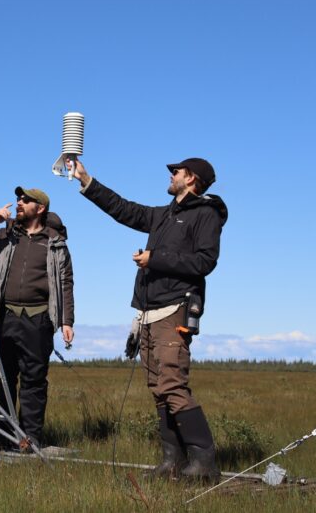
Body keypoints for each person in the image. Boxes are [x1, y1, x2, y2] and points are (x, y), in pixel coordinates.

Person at [67, 157, 227, 480]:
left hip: (175, 310)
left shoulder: (206, 215)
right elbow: (123, 209)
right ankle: (173, 461)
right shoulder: (163, 214)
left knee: (172, 383)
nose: (171, 174)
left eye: (177, 171)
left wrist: (157, 258)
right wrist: (86, 180)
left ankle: (204, 462)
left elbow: (205, 262)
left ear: (192, 179)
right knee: (157, 386)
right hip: (148, 313)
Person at [0, 186, 74, 451]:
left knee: (34, 380)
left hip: (39, 318)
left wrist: (67, 321)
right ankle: (1, 434)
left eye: (25, 200)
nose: (19, 202)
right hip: (3, 316)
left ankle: (30, 437)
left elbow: (65, 282)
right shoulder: (6, 236)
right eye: (18, 199)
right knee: (1, 378)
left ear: (40, 208)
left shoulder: (56, 244)